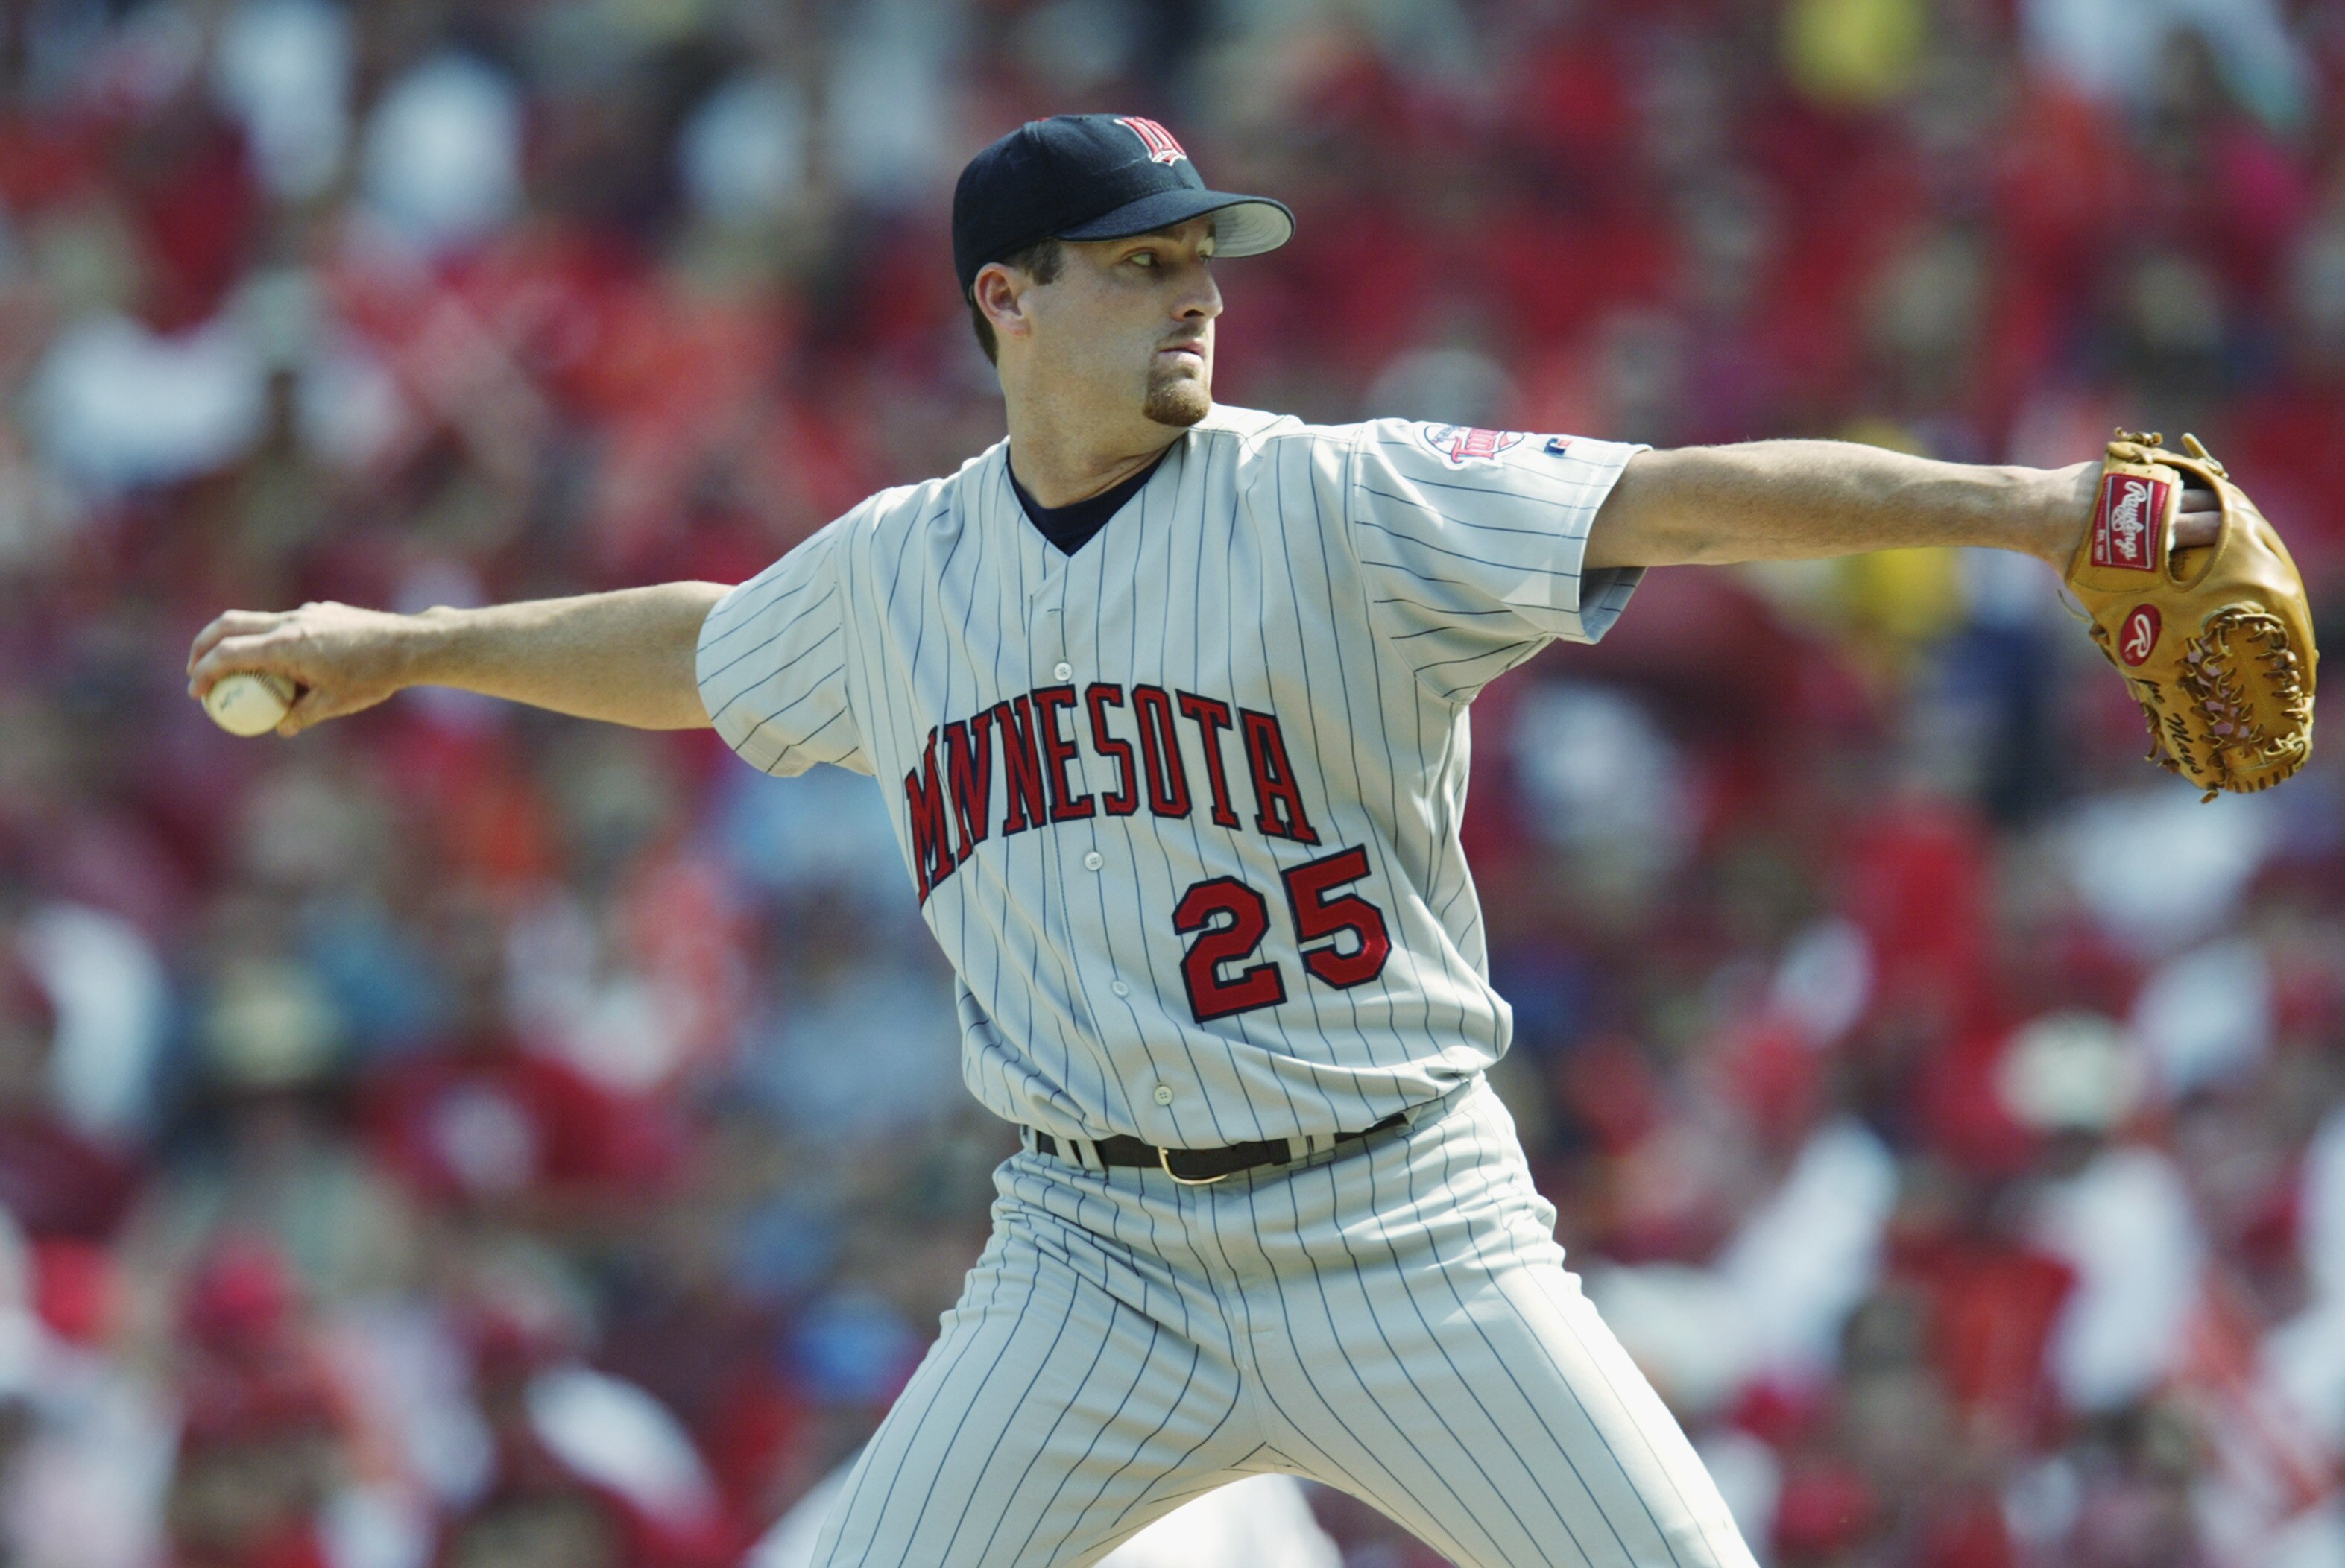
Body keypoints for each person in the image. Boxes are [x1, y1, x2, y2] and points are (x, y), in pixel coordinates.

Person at [186, 115, 2223, 1567]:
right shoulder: (903, 571)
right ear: (1009, 299)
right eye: (1142, 260)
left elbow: (1676, 499)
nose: (1193, 294)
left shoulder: (1339, 502)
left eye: (1202, 258)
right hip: (1093, 1260)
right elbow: (706, 650)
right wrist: (411, 648)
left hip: (1399, 1232)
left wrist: (2034, 510)